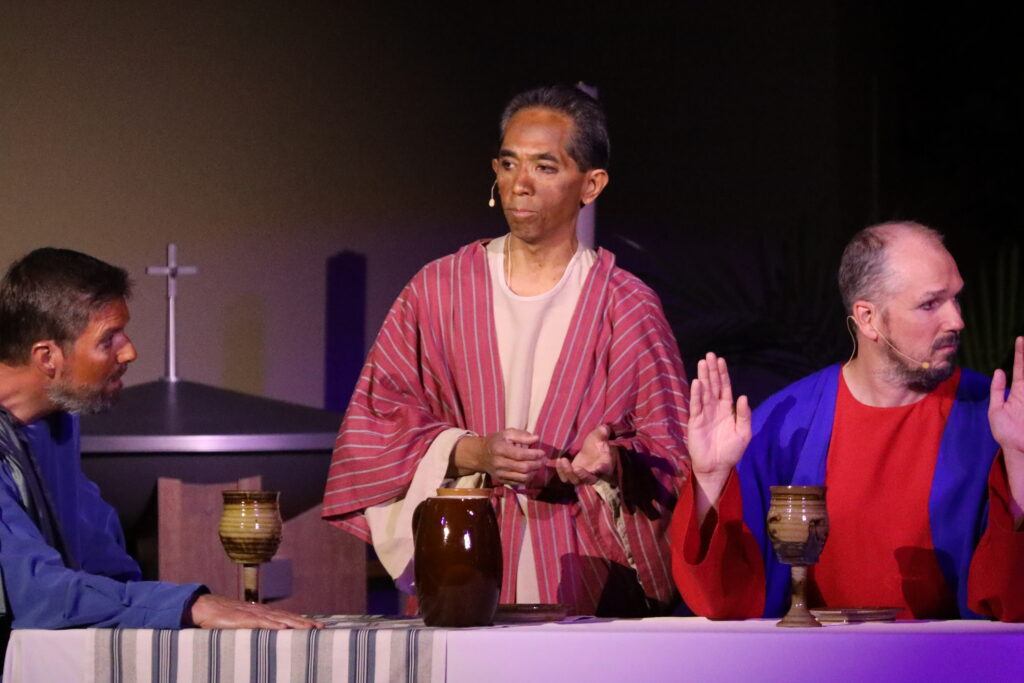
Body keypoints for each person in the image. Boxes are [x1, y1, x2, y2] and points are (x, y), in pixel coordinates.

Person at [322, 85, 690, 616]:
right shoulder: (438, 291)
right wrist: (473, 452)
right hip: (461, 559)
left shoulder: (627, 307)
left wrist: (612, 462)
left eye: (545, 167)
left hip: (586, 576)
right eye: (510, 163)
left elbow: (673, 453)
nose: (521, 184)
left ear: (591, 184)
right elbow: (375, 425)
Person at [670, 221, 1024, 620]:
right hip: (816, 656)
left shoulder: (995, 420)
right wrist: (711, 479)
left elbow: (1013, 603)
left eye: (955, 298)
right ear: (867, 318)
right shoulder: (785, 426)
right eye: (930, 304)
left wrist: (1019, 462)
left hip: (954, 657)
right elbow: (722, 600)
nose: (956, 320)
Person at [0, 247, 320, 654]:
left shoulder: (58, 422)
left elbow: (106, 567)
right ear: (47, 357)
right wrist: (189, 605)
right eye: (108, 340)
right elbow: (36, 594)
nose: (129, 352)